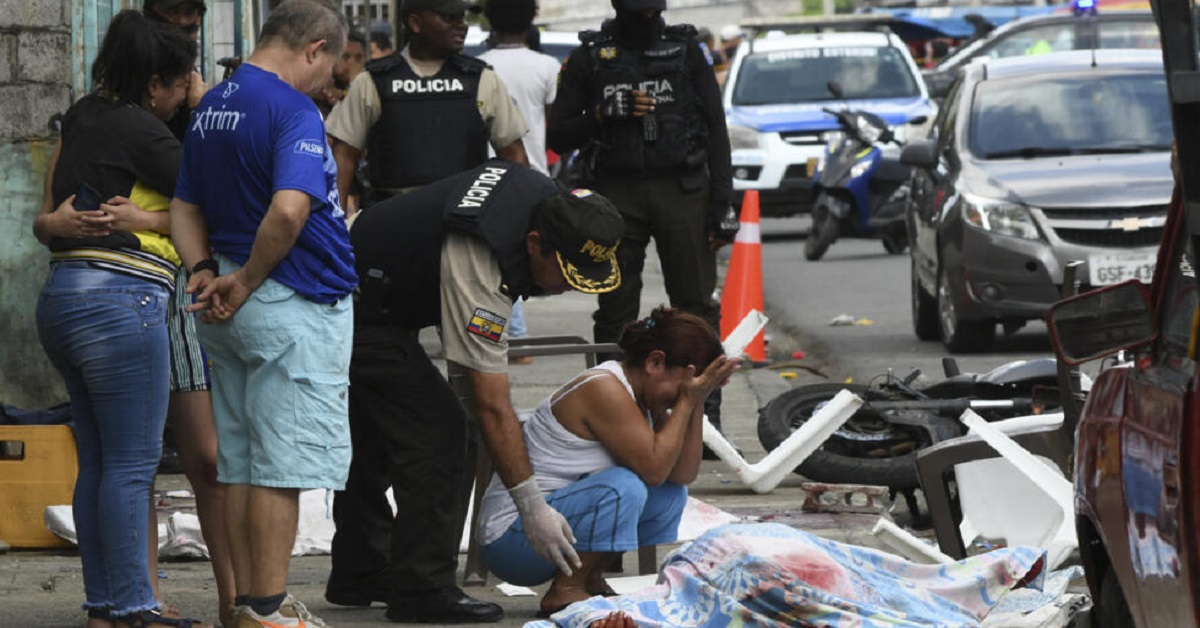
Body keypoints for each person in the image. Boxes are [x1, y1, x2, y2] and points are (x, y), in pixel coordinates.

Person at [326, 160, 624, 623]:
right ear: (534, 245)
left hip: (371, 286)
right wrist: (531, 506)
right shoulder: (482, 254)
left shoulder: (549, 205)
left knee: (378, 434)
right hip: (349, 304)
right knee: (443, 432)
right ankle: (422, 589)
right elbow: (486, 399)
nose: (567, 287)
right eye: (566, 273)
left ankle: (360, 570)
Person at [168, 1, 354, 627]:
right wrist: (245, 280)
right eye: (327, 69)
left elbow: (183, 204)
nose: (325, 86)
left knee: (245, 457)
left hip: (228, 296)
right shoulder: (291, 107)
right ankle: (270, 610)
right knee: (283, 463)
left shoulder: (212, 105)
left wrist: (203, 270)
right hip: (287, 296)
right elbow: (289, 210)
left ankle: (248, 603)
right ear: (314, 48)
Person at [32, 11, 207, 628]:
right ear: (156, 84)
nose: (184, 94)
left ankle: (104, 604)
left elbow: (47, 211)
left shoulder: (83, 114)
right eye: (181, 84)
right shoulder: (143, 130)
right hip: (121, 300)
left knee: (101, 462)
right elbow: (213, 196)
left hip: (63, 297)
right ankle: (136, 604)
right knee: (132, 467)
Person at [546, 0, 738, 455]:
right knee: (615, 313)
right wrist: (603, 112)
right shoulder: (591, 55)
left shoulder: (686, 48)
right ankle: (614, 416)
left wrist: (723, 203)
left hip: (683, 187)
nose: (647, 14)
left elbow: (715, 125)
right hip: (616, 192)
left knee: (696, 308)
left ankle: (705, 422)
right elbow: (558, 134)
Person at [478, 307, 740, 616]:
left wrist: (694, 402)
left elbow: (682, 474)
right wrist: (687, 401)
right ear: (655, 362)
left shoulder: (644, 395)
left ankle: (588, 577)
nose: (682, 397)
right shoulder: (604, 387)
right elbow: (654, 471)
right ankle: (565, 590)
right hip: (515, 539)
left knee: (671, 493)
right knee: (624, 486)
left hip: (556, 534)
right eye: (684, 387)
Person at [325, 0, 529, 212]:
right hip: (392, 221)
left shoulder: (482, 79)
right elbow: (344, 157)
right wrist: (334, 226)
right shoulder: (374, 81)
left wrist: (522, 218)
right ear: (416, 23)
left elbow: (514, 155)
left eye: (462, 17)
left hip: (464, 219)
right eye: (450, 18)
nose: (462, 25)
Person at [478, 0, 563, 360]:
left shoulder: (477, 67)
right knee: (518, 257)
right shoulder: (547, 66)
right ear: (533, 18)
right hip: (532, 176)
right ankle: (516, 338)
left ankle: (500, 336)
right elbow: (551, 121)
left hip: (481, 177)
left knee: (488, 263)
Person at [315, 30, 368, 116]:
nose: (352, 63)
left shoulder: (370, 87)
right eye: (345, 57)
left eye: (358, 58)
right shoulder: (318, 92)